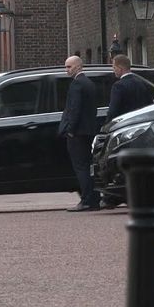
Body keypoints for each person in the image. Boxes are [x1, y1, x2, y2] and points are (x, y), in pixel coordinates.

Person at [58, 55, 100, 211]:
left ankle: (86, 199)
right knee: (89, 166)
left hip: (77, 133)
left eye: (69, 67)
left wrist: (70, 130)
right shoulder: (89, 84)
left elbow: (74, 110)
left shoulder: (76, 85)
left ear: (78, 66)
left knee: (80, 167)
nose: (66, 70)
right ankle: (94, 198)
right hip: (88, 130)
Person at [106, 54, 154, 122]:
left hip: (125, 124)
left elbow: (113, 111)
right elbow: (150, 105)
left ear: (120, 68)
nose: (114, 71)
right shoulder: (142, 83)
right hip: (143, 123)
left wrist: (107, 125)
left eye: (114, 68)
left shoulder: (118, 86)